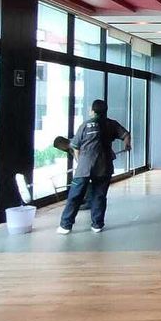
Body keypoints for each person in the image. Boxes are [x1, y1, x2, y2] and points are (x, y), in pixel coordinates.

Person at [57, 99, 130, 234]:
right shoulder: (111, 124)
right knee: (99, 196)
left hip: (85, 167)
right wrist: (127, 144)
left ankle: (65, 225)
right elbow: (126, 135)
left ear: (93, 111)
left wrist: (80, 161)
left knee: (75, 196)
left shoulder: (85, 125)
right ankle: (97, 224)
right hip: (104, 166)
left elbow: (75, 147)